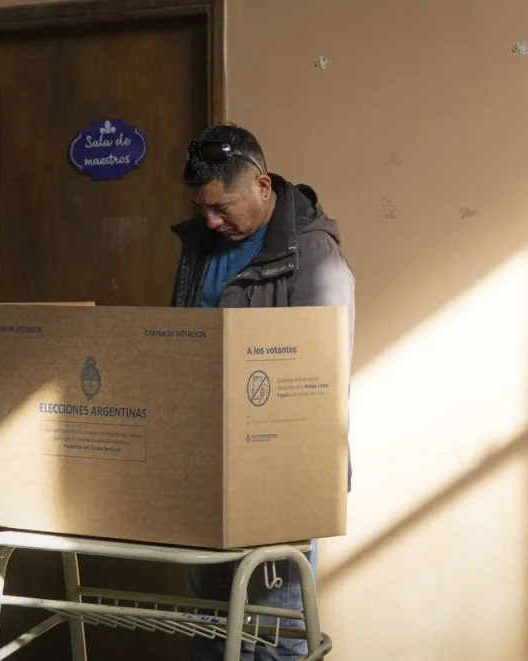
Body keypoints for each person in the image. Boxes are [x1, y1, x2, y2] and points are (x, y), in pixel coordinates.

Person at [170, 124, 355, 661]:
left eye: (221, 207)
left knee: (273, 638)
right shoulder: (202, 245)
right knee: (210, 631)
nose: (211, 220)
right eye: (203, 208)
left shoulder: (314, 255)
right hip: (207, 464)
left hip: (281, 473)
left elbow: (317, 385)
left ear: (263, 186)